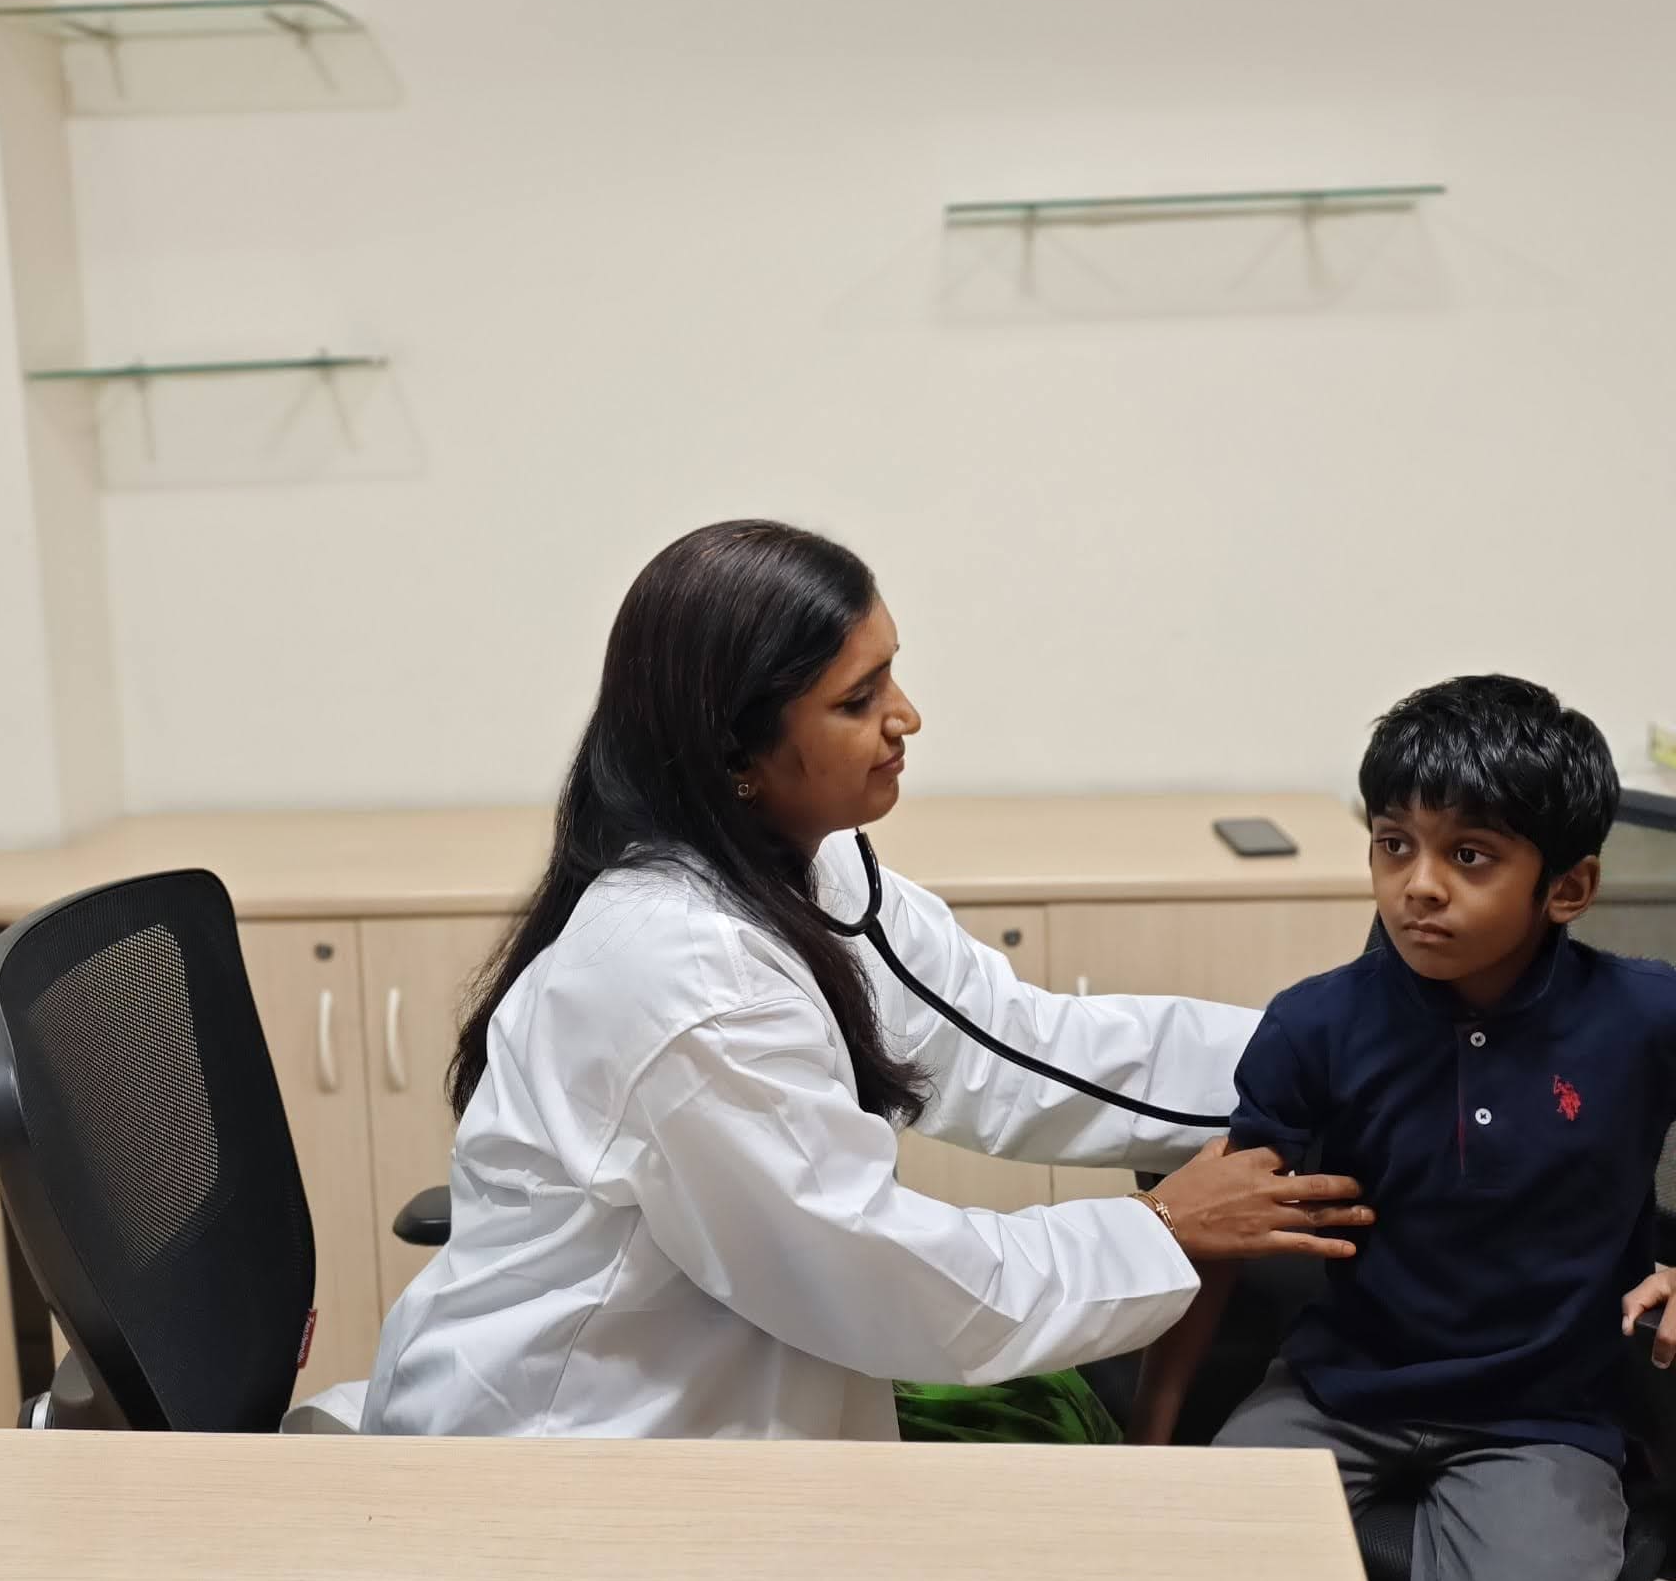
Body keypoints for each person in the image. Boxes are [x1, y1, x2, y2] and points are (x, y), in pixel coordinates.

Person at [358, 519, 1371, 1440]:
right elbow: (887, 1275)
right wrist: (1158, 1229)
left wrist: (1336, 1053)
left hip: (734, 1377)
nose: (908, 717)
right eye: (858, 699)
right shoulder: (687, 978)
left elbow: (1009, 1043)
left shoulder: (807, 865)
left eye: (893, 675)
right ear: (734, 753)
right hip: (576, 1447)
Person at [1127, 675, 1676, 1581]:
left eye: (1469, 854)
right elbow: (1224, 1234)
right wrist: (1146, 1448)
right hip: (1339, 1391)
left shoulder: (1646, 1014)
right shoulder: (1314, 1024)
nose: (1419, 883)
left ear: (1568, 887)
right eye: (1392, 842)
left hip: (1544, 1416)